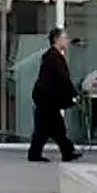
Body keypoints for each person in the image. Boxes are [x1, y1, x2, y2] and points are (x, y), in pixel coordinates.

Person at [28, 27, 81, 163]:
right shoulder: (53, 57)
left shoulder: (52, 56)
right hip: (47, 98)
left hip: (45, 98)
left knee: (45, 128)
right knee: (55, 126)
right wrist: (74, 94)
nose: (67, 41)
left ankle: (36, 153)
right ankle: (67, 151)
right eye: (65, 38)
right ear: (57, 39)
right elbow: (63, 78)